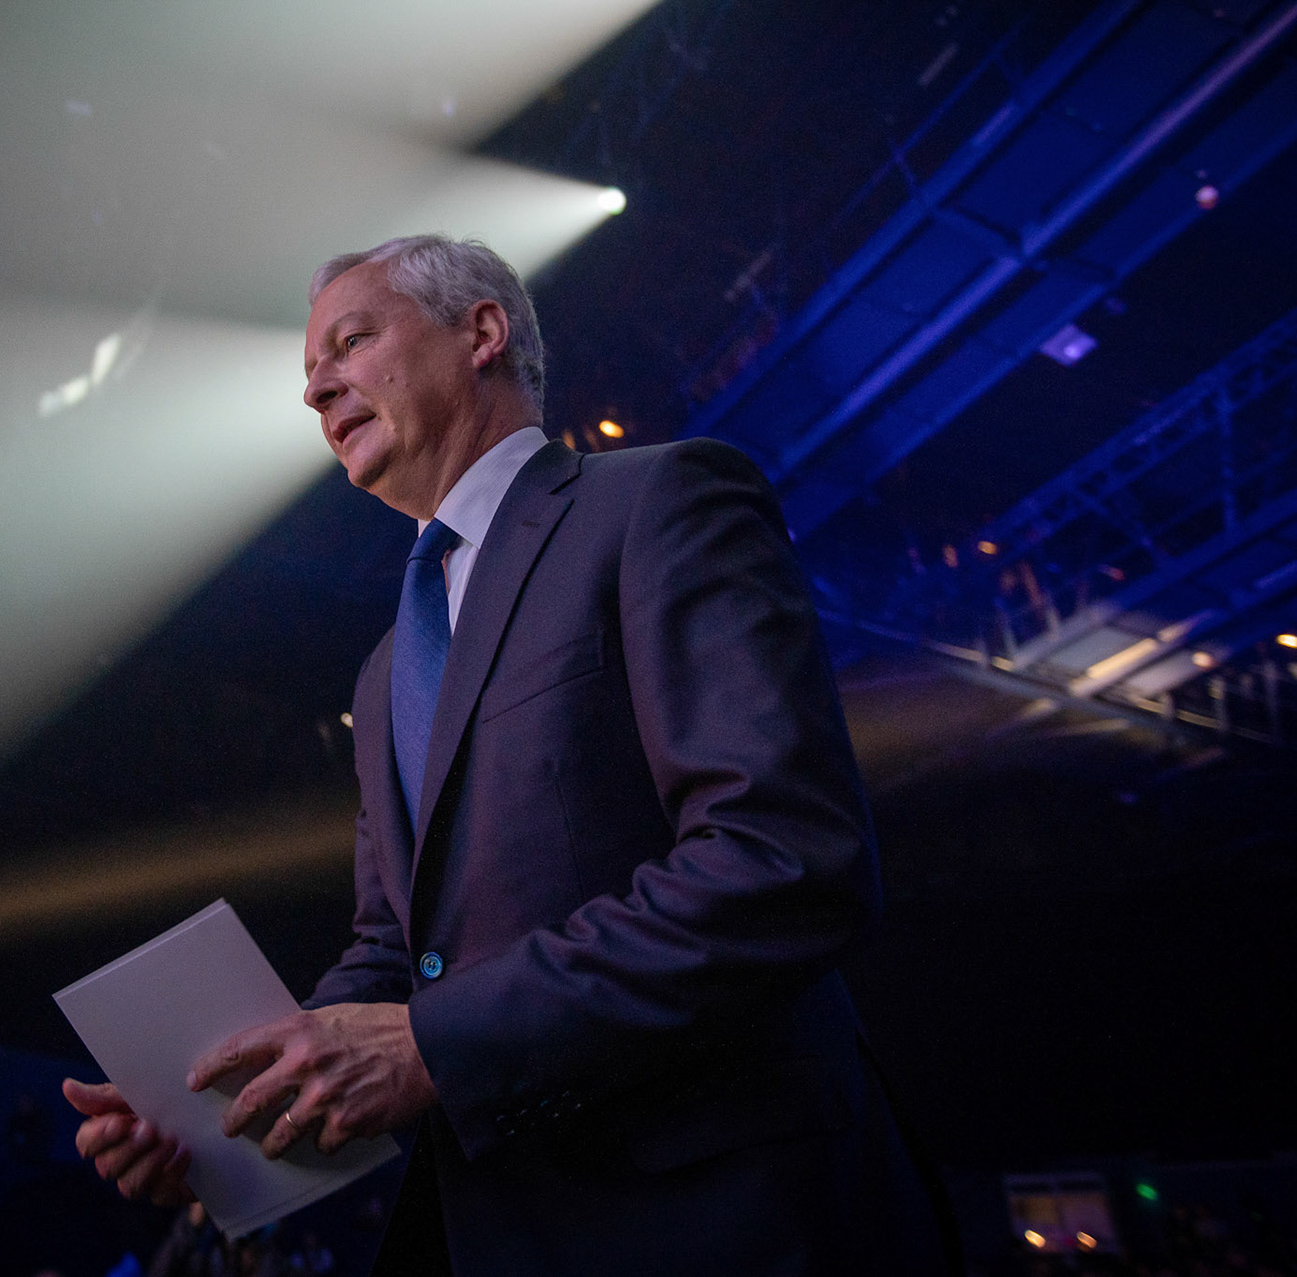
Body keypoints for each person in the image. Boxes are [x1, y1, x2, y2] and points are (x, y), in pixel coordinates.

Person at [65, 235, 945, 1273]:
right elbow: (396, 948)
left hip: (728, 1215)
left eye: (350, 342)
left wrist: (440, 1045)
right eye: (308, 374)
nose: (318, 389)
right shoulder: (385, 667)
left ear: (481, 331)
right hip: (499, 1222)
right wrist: (229, 1100)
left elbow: (783, 859)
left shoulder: (661, 501)